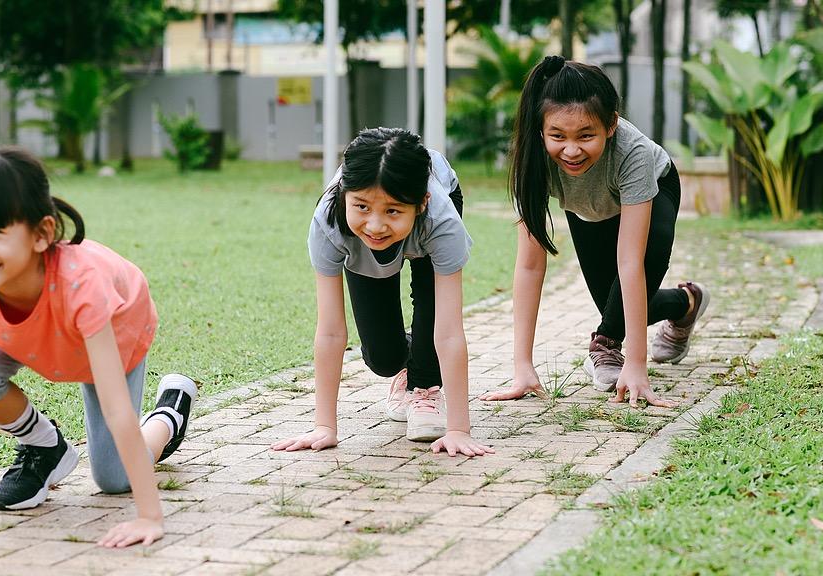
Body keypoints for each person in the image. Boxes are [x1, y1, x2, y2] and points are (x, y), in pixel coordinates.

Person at [0, 147, 198, 548]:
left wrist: (149, 517)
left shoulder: (82, 286)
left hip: (114, 331)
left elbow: (116, 407)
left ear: (41, 234)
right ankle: (45, 445)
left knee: (113, 479)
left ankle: (169, 412)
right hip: (36, 336)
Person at [481, 56, 710, 407]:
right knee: (614, 304)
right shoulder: (532, 160)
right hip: (586, 207)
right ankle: (686, 302)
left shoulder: (632, 153)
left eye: (586, 135)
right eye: (557, 135)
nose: (571, 150)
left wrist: (637, 365)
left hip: (655, 189)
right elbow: (529, 265)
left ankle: (604, 345)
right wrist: (522, 366)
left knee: (631, 285)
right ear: (541, 129)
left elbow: (630, 262)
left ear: (611, 124)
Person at [272, 128, 493, 457]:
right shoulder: (329, 224)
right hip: (362, 222)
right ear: (346, 195)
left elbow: (448, 331)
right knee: (382, 357)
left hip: (428, 218)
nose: (375, 225)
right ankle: (407, 367)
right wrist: (325, 427)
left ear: (421, 204)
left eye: (391, 211)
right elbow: (331, 331)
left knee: (431, 313)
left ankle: (425, 386)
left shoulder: (440, 221)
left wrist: (459, 430)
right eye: (362, 207)